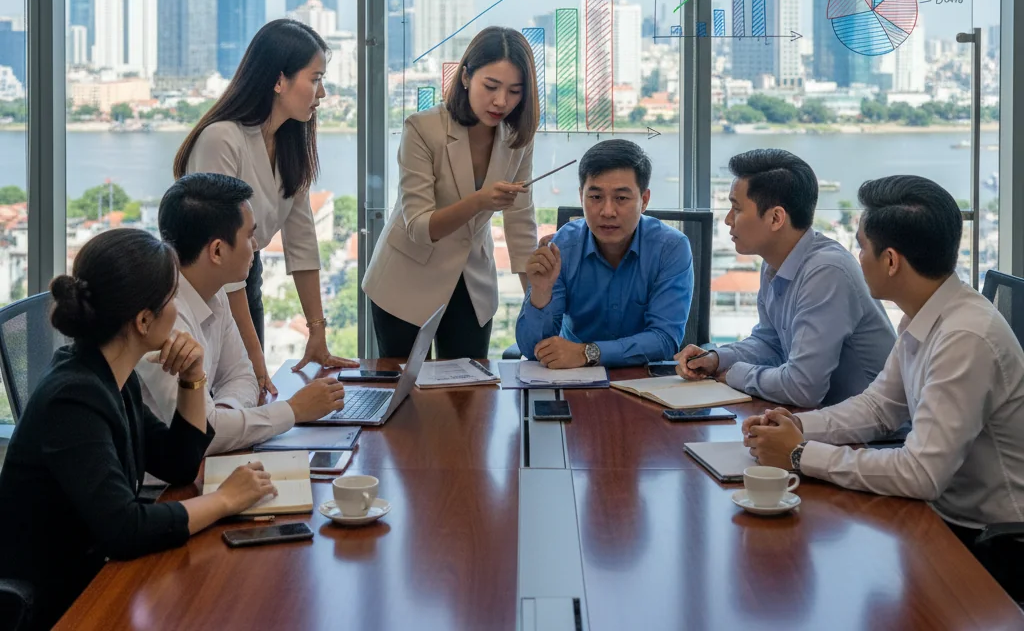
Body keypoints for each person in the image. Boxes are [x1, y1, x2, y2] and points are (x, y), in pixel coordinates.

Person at [744, 175, 1024, 598]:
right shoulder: (927, 312)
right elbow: (879, 407)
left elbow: (921, 474)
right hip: (943, 518)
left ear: (890, 260)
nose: (858, 258)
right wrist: (800, 428)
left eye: (861, 247)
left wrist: (800, 454)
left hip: (993, 545)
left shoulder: (966, 337)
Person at [0, 228, 276, 631]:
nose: (177, 309)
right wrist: (226, 501)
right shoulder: (73, 399)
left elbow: (179, 463)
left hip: (95, 575)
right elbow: (125, 530)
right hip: (57, 604)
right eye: (171, 299)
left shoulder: (113, 374)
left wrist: (193, 379)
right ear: (144, 320)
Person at [173, 18, 357, 397]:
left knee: (248, 394)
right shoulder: (222, 139)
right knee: (224, 394)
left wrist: (317, 333)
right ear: (279, 81)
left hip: (244, 277)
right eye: (316, 78)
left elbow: (302, 240)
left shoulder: (290, 143)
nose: (322, 93)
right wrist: (255, 355)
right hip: (205, 288)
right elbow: (221, 262)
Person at [138, 173, 348, 454]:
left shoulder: (215, 292)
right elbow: (203, 434)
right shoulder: (164, 318)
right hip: (159, 487)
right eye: (250, 235)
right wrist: (293, 411)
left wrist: (227, 418)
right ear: (217, 251)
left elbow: (242, 376)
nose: (256, 246)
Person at [363, 26, 539, 359]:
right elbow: (418, 226)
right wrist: (480, 201)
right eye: (491, 86)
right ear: (466, 77)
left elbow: (520, 223)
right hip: (405, 279)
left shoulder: (518, 137)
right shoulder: (423, 128)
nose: (501, 101)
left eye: (515, 91)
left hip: (472, 282)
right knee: (407, 398)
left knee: (467, 399)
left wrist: (535, 306)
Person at [676, 148, 895, 407]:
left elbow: (802, 388)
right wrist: (716, 359)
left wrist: (734, 374)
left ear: (776, 218)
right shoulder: (773, 265)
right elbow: (770, 344)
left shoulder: (826, 271)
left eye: (736, 208)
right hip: (826, 423)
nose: (727, 220)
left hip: (877, 438)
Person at [515, 140, 692, 369]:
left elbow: (665, 340)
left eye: (621, 198)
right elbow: (532, 350)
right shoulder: (562, 248)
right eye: (596, 197)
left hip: (645, 383)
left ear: (644, 200)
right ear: (581, 197)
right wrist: (540, 292)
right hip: (575, 382)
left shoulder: (671, 248)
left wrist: (588, 352)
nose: (607, 212)